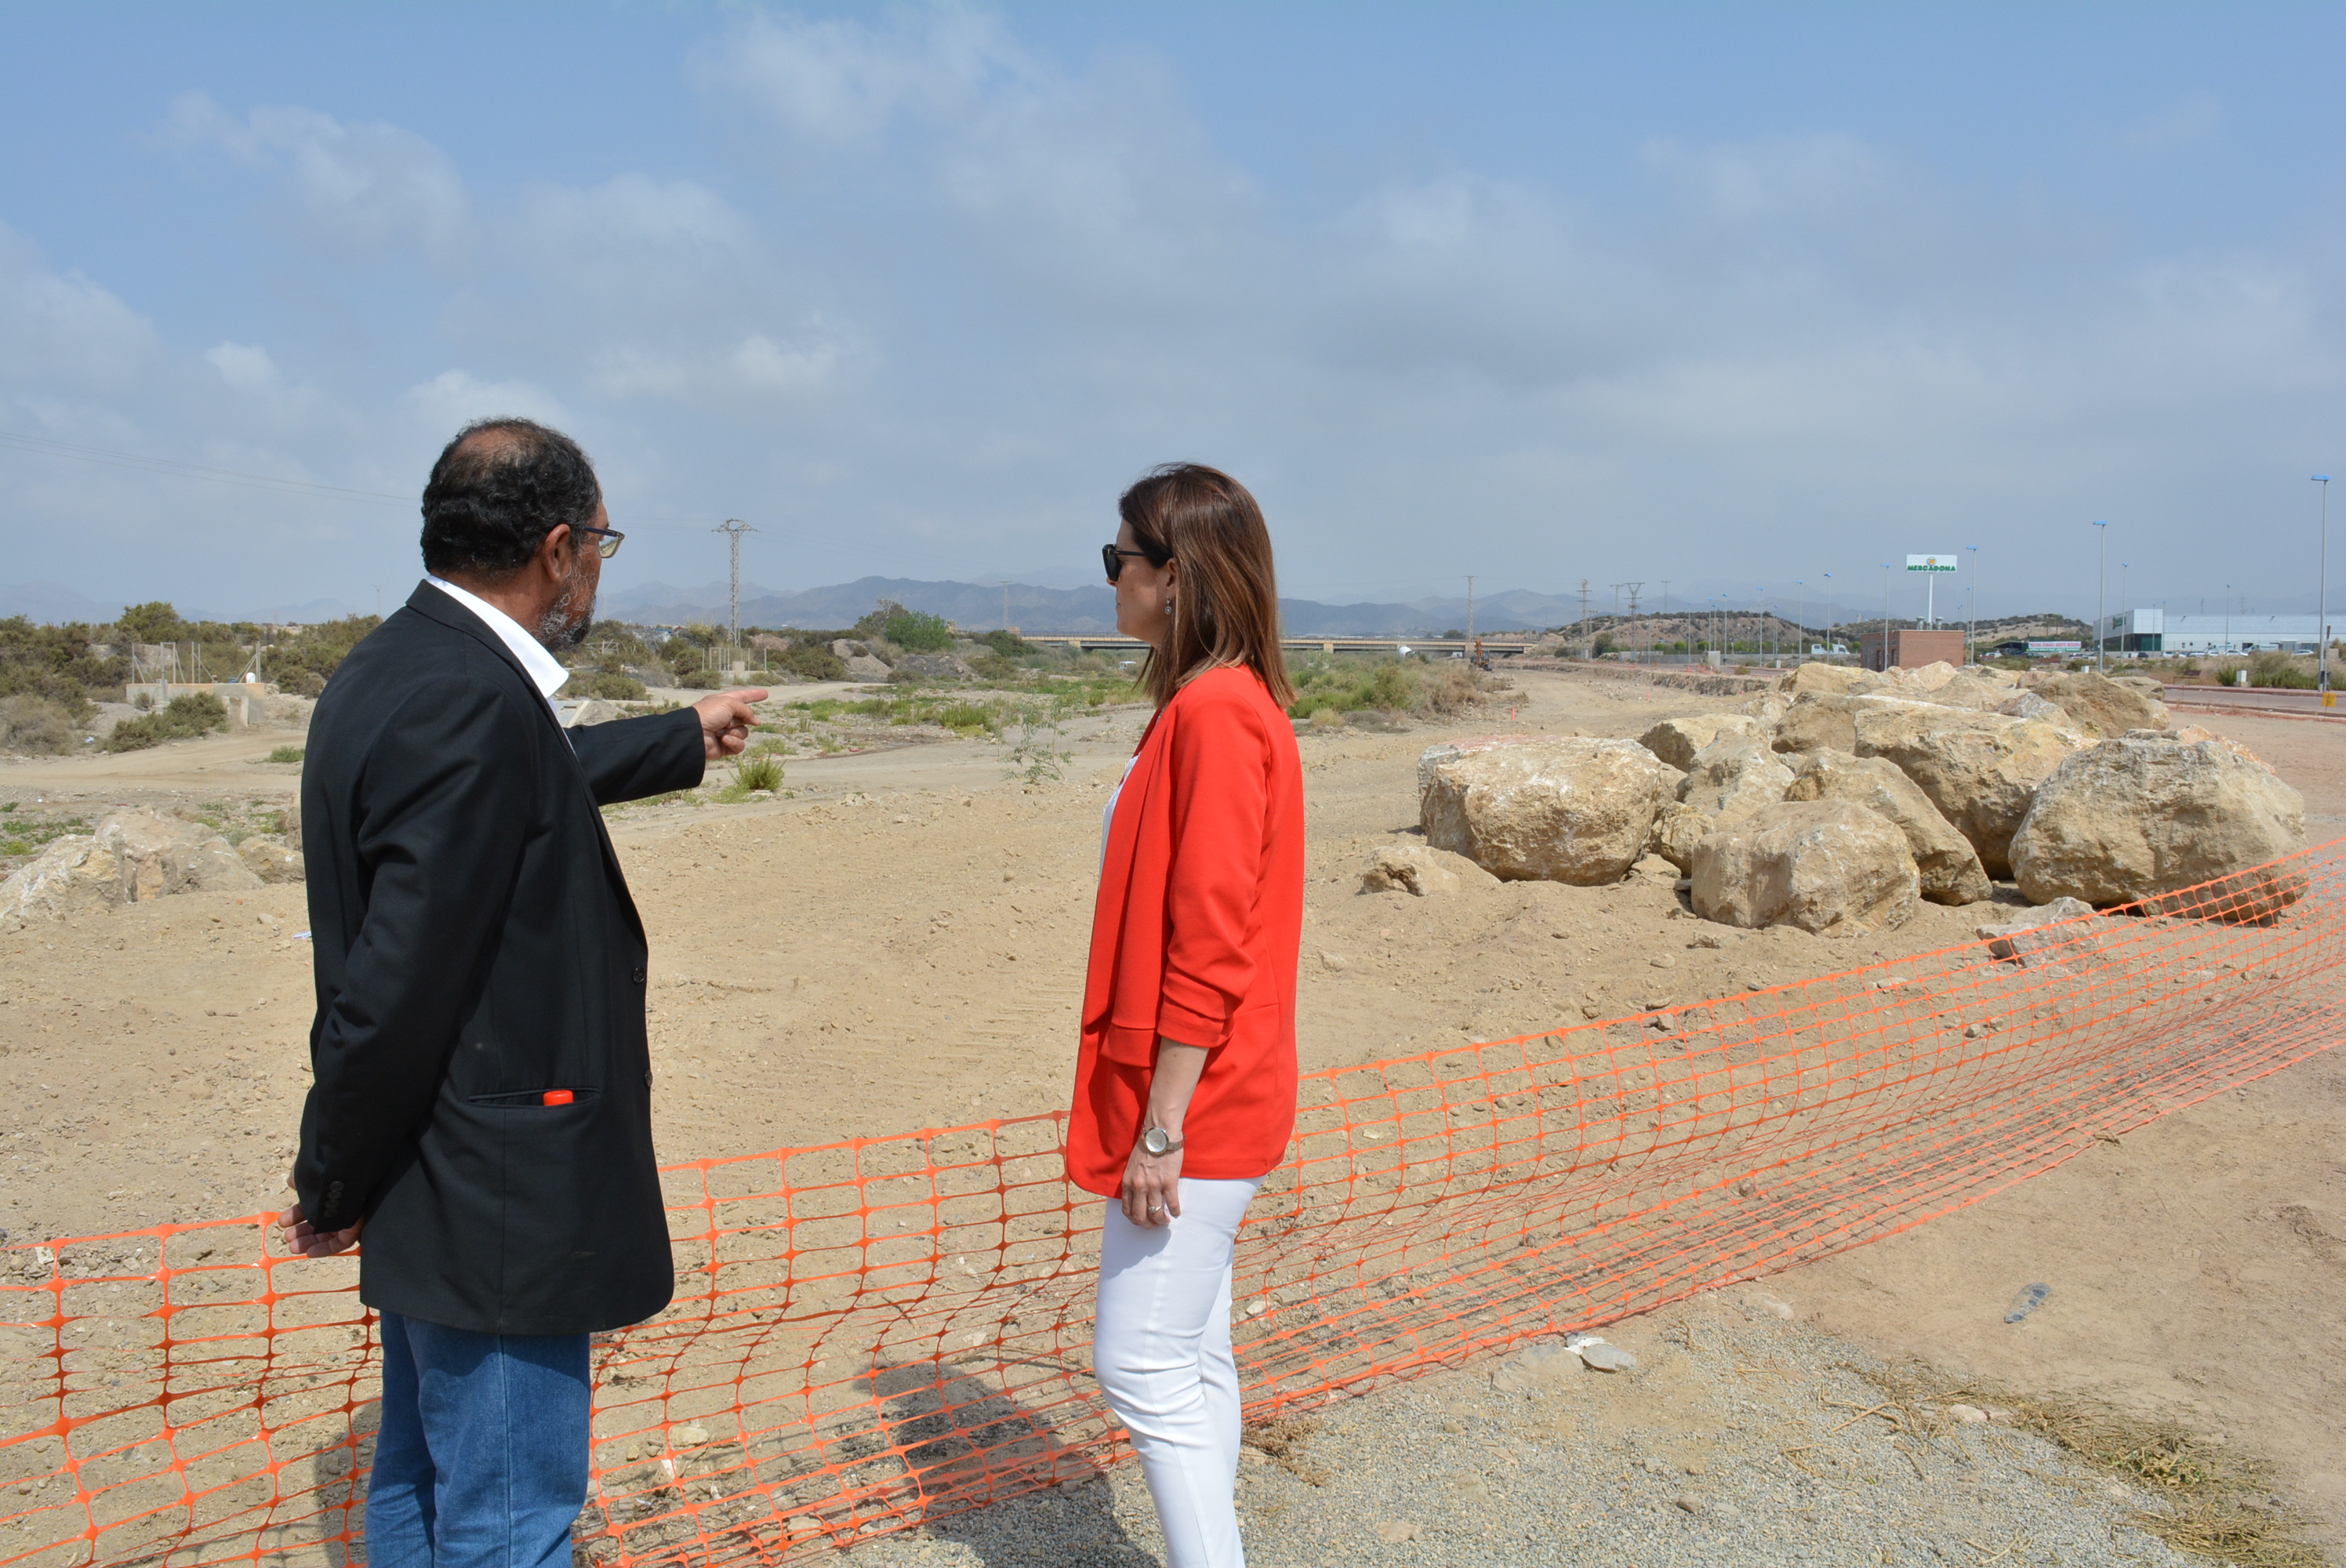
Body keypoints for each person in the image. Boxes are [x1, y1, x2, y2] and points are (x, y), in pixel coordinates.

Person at [274, 417, 768, 1568]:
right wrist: (330, 1173)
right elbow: (394, 990)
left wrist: (677, 737)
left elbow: (515, 783)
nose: (598, 570)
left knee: (415, 1481)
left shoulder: (404, 663)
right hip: (495, 1196)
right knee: (508, 1526)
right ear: (559, 547)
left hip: (438, 1185)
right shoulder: (469, 698)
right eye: (602, 543)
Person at [1071, 463, 1305, 1568]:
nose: (1110, 578)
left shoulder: (1214, 713)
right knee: (1196, 1358)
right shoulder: (1218, 700)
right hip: (1222, 1084)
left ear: (1176, 578)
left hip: (1199, 1102)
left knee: (1143, 1367)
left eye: (1120, 559)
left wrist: (1162, 1127)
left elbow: (1210, 942)